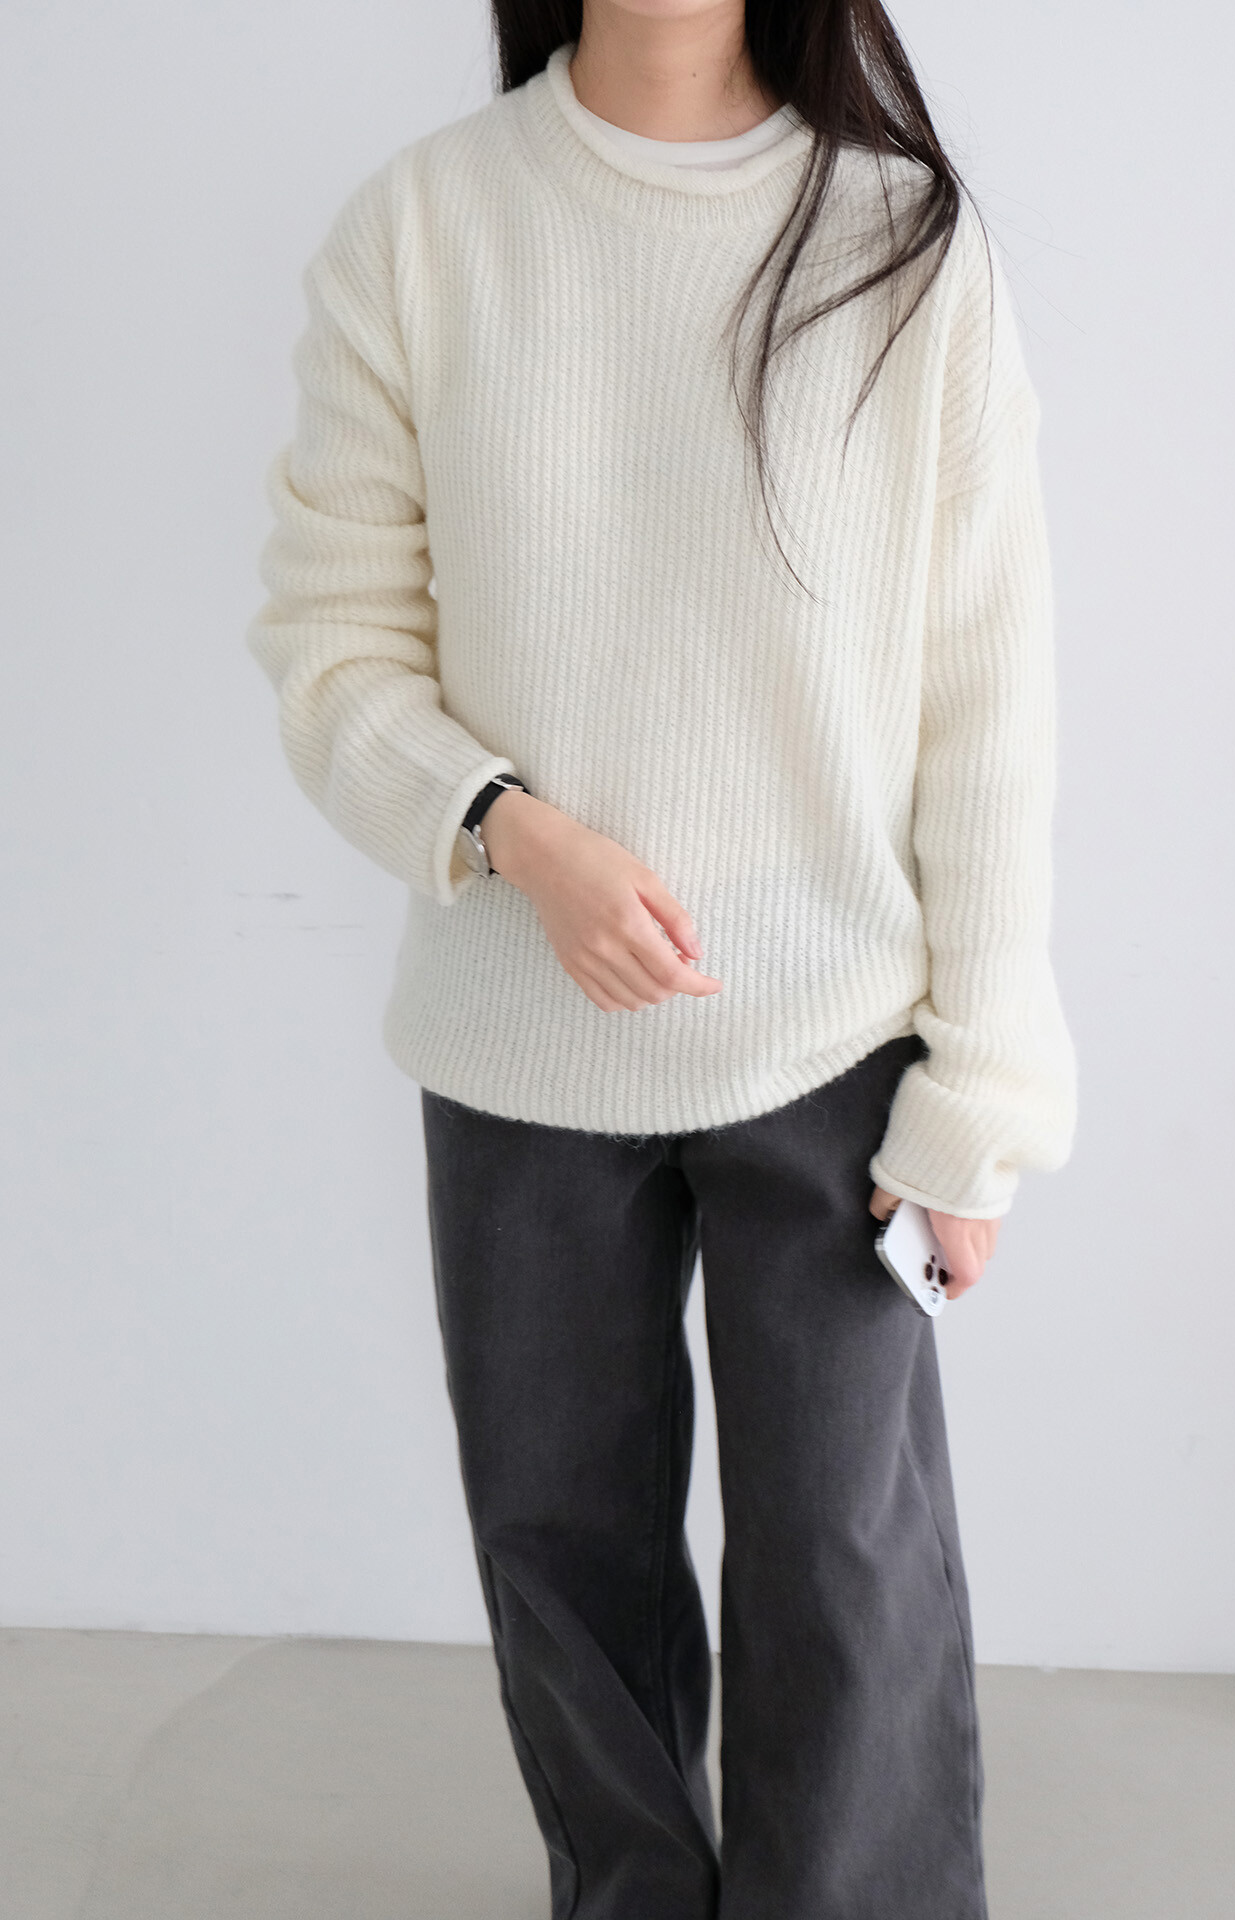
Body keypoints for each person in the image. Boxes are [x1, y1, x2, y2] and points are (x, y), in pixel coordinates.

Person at [246, 2, 1077, 1914]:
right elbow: (333, 640)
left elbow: (988, 701)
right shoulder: (424, 226)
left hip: (838, 1044)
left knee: (844, 1562)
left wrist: (985, 1093)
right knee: (564, 1553)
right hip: (517, 1037)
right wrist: (515, 832)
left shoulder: (900, 243)